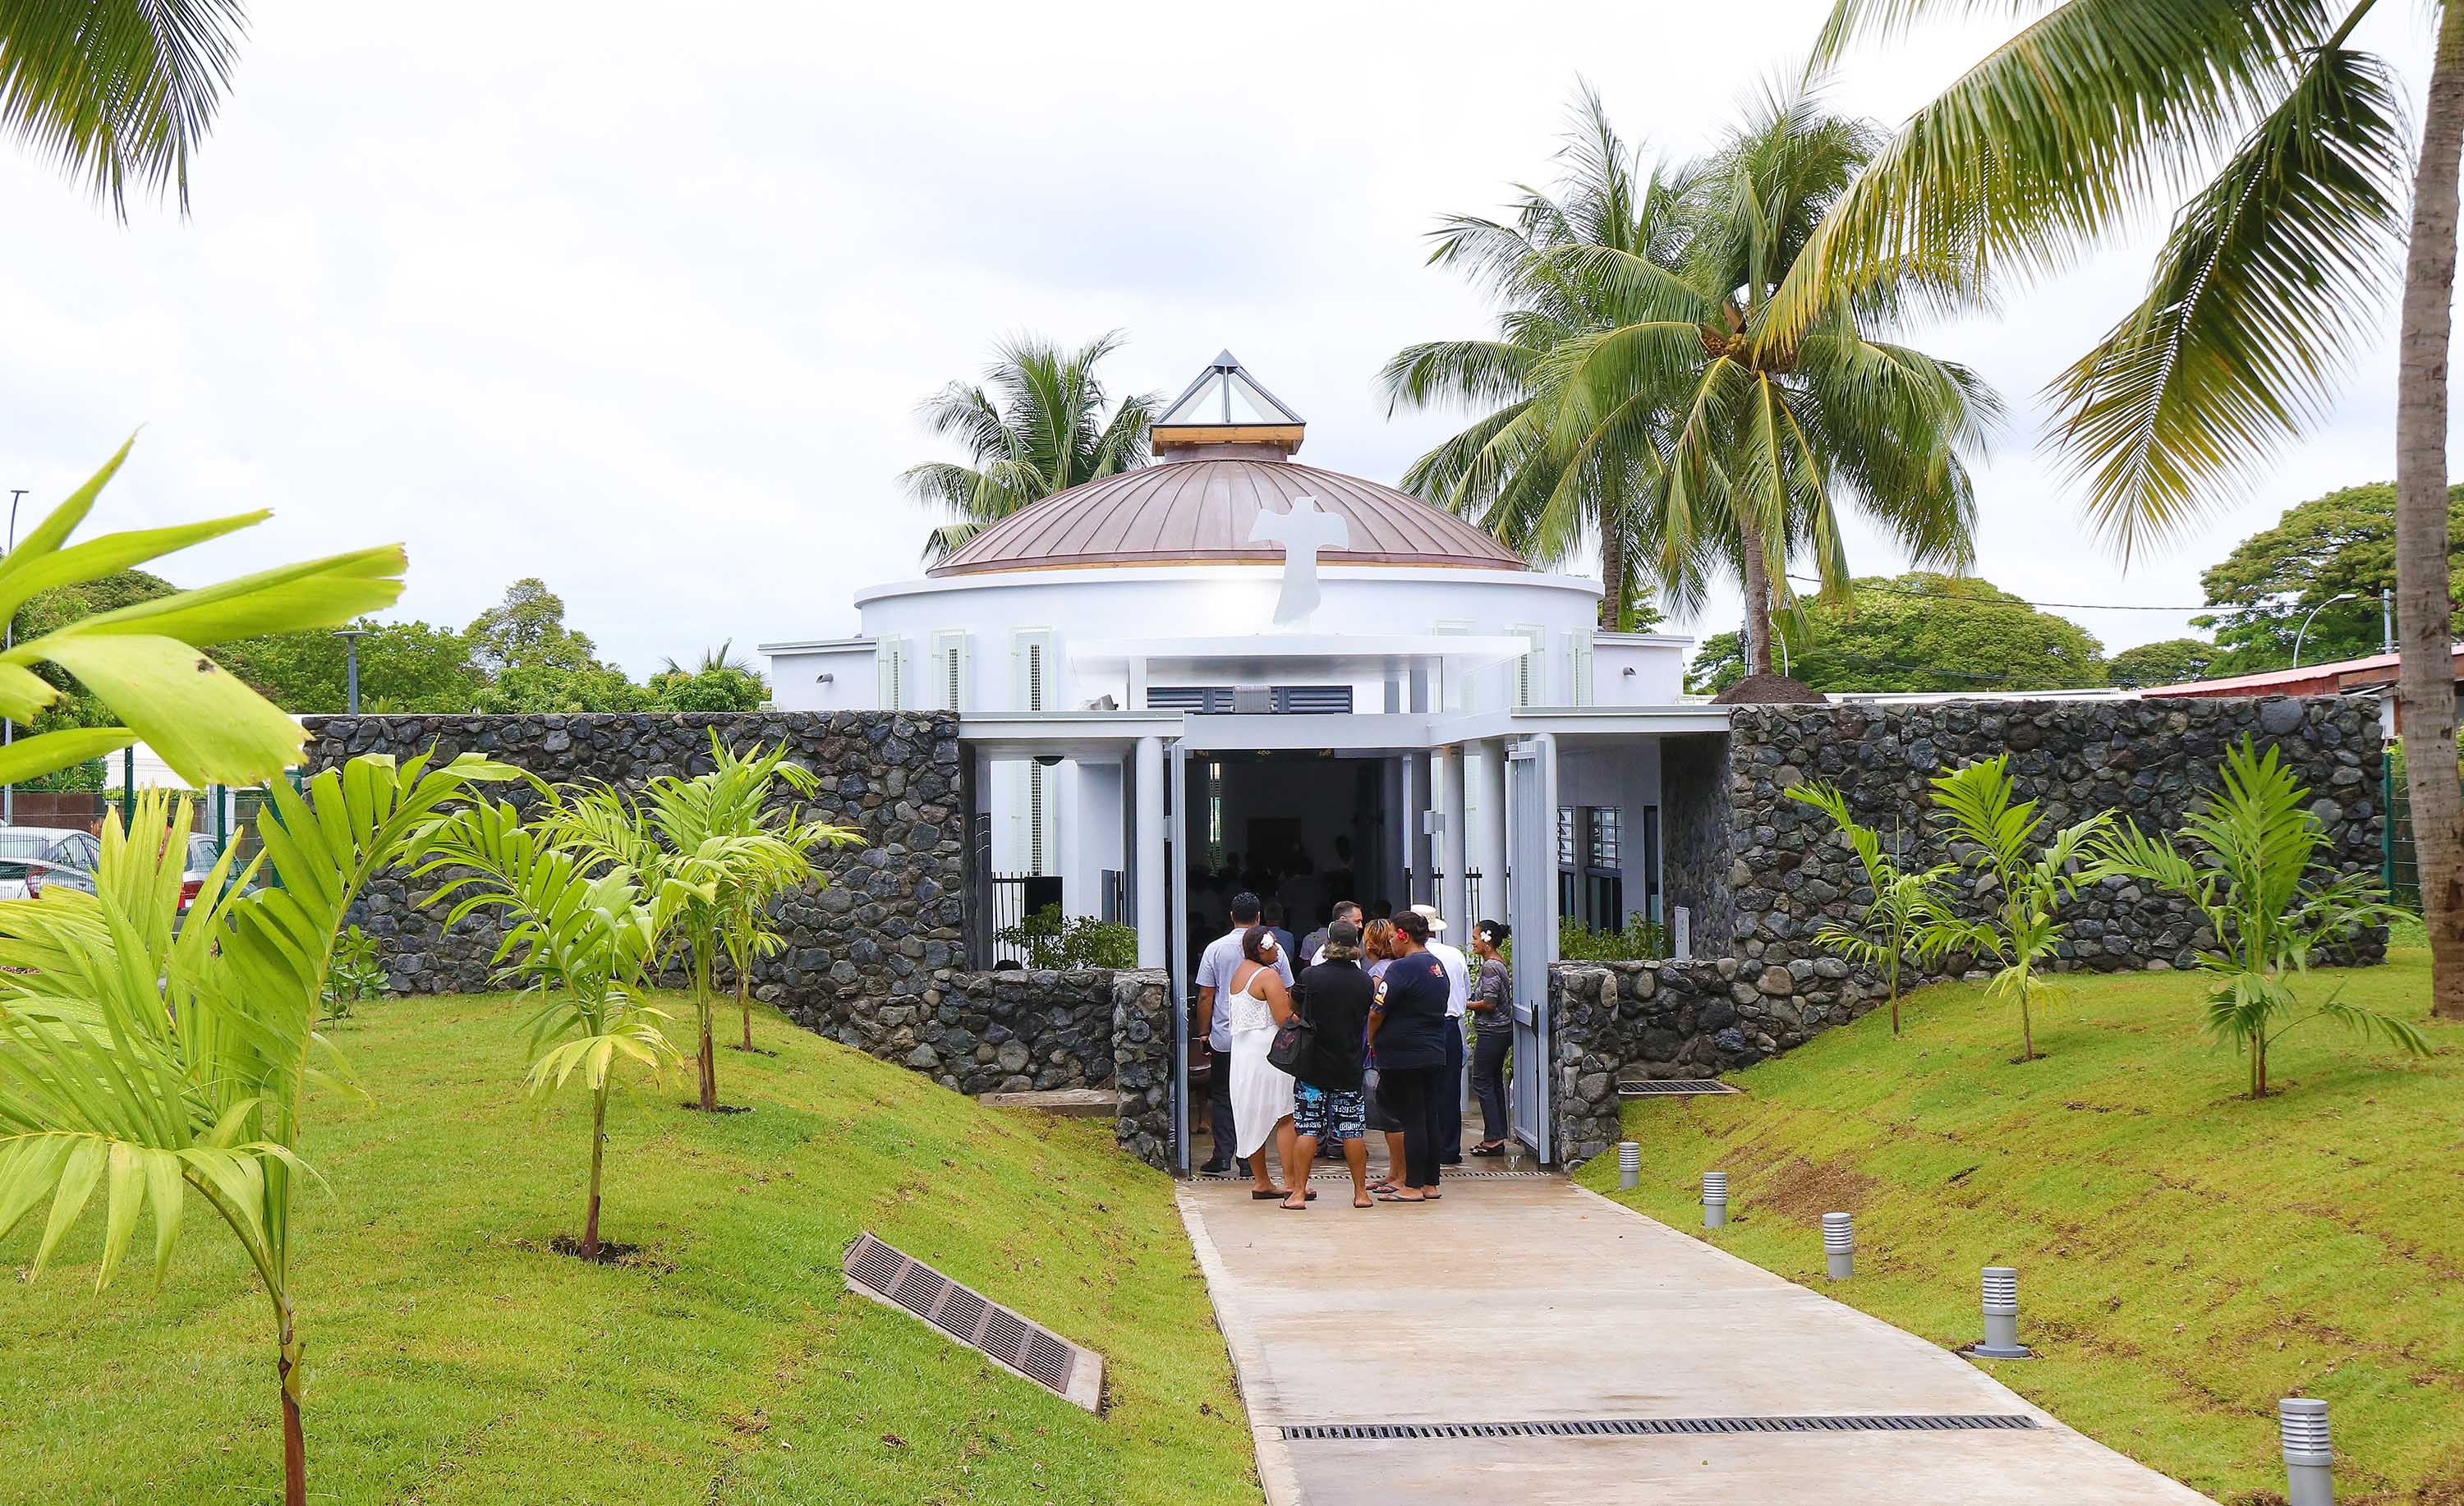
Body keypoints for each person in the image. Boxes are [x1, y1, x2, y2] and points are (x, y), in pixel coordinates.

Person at [1195, 892, 1292, 1175]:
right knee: (1264, 1101)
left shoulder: (1215, 949)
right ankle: (1250, 1162)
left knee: (1225, 1096)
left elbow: (1205, 995)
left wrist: (1204, 1032)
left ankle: (1223, 1155)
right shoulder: (1273, 952)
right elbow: (1287, 990)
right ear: (1259, 917)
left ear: (1231, 916)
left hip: (1226, 1034)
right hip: (1265, 1037)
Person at [1285, 920, 1377, 1210]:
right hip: (1348, 1062)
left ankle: (1298, 1194)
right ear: (1355, 947)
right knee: (1352, 1130)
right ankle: (1361, 1193)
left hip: (1312, 1064)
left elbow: (1294, 1005)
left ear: (1328, 944)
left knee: (1308, 1129)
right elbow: (1366, 1011)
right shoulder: (1364, 981)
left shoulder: (1310, 976)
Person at [1368, 909, 1450, 1203]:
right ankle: (1430, 1182)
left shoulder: (1401, 969)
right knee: (1429, 1117)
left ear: (1403, 936)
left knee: (1412, 1119)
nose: (1390, 941)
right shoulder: (1436, 966)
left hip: (1404, 1055)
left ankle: (1412, 1186)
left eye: (1391, 935)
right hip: (1433, 1051)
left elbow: (1378, 1010)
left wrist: (1371, 1039)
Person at [1225, 927, 1305, 1201]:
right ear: (1262, 948)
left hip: (1244, 1051)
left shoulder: (1239, 973)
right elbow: (1284, 1017)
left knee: (1251, 1113)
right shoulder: (1268, 976)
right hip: (1269, 1052)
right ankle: (1292, 1182)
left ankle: (1262, 1181)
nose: (1278, 951)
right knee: (1285, 1114)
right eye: (1274, 947)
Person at [1413, 904, 1471, 1165]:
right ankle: (1449, 1147)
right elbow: (1466, 992)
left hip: (1421, 1027)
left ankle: (1423, 1148)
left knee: (1419, 1090)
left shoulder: (1411, 957)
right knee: (1449, 1091)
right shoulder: (1454, 954)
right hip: (1450, 1027)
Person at [1357, 918, 1408, 1192]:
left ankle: (1400, 1173)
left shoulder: (1377, 974)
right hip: (1398, 1044)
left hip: (1382, 1046)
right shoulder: (1400, 967)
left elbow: (1376, 1012)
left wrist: (1370, 1041)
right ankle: (1394, 1171)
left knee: (1391, 1113)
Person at [1466, 920, 1514, 1155]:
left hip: (1493, 1031)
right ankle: (1496, 1135)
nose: (1473, 942)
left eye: (1476, 938)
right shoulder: (1495, 963)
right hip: (1498, 1031)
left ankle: (1493, 1139)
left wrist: (1468, 1004)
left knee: (1482, 1081)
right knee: (1493, 1082)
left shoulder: (1490, 967)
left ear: (1487, 941)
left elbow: (1489, 1002)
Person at [1301, 900, 1362, 967]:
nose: (1361, 926)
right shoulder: (1322, 956)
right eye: (1357, 921)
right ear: (1343, 920)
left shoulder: (1353, 952)